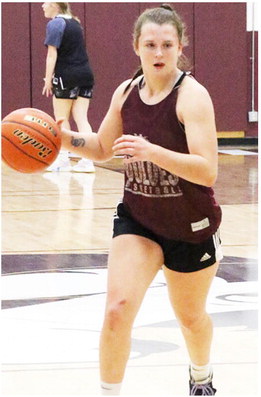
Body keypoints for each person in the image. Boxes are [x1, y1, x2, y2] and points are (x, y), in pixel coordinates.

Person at [60, 4, 222, 395]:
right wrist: (57, 136)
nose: (159, 53)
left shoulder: (192, 97)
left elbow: (207, 170)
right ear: (136, 47)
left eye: (167, 44)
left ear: (180, 45)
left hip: (190, 225)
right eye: (150, 44)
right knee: (116, 312)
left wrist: (152, 152)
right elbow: (101, 148)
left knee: (190, 317)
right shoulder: (126, 92)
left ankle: (201, 376)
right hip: (140, 220)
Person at [42, 2, 95, 172]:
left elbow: (52, 54)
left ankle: (63, 159)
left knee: (61, 118)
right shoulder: (75, 22)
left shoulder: (55, 23)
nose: (42, 5)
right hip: (85, 73)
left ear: (55, 5)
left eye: (46, 2)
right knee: (81, 118)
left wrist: (48, 79)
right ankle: (88, 160)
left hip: (67, 74)